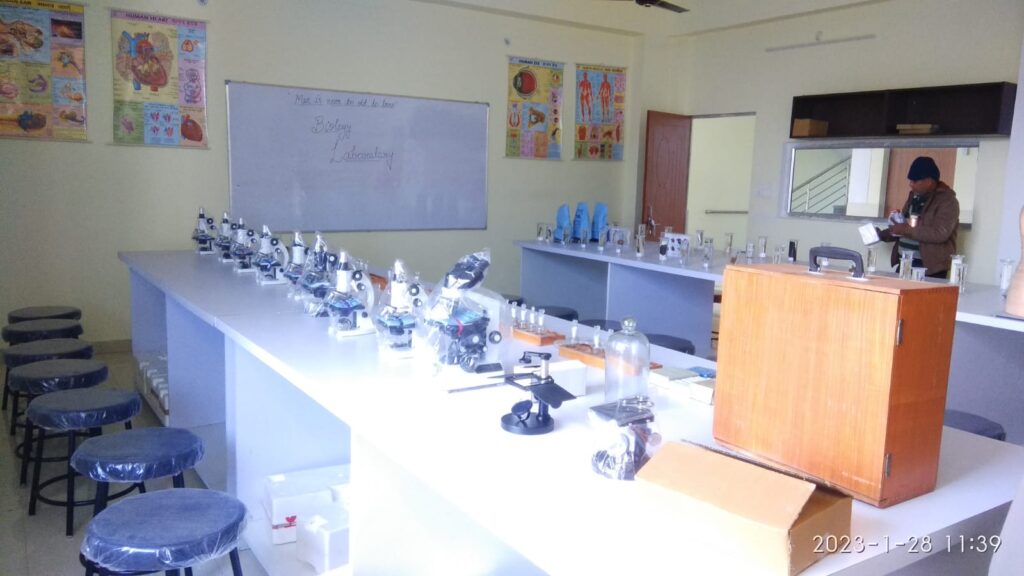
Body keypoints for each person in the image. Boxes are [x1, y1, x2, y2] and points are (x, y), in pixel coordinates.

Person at [877, 156, 959, 278]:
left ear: (929, 181)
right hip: (905, 262)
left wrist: (905, 229)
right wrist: (881, 235)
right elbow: (904, 227)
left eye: (915, 181)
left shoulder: (948, 201)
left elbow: (940, 233)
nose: (910, 184)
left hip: (930, 268)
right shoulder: (914, 197)